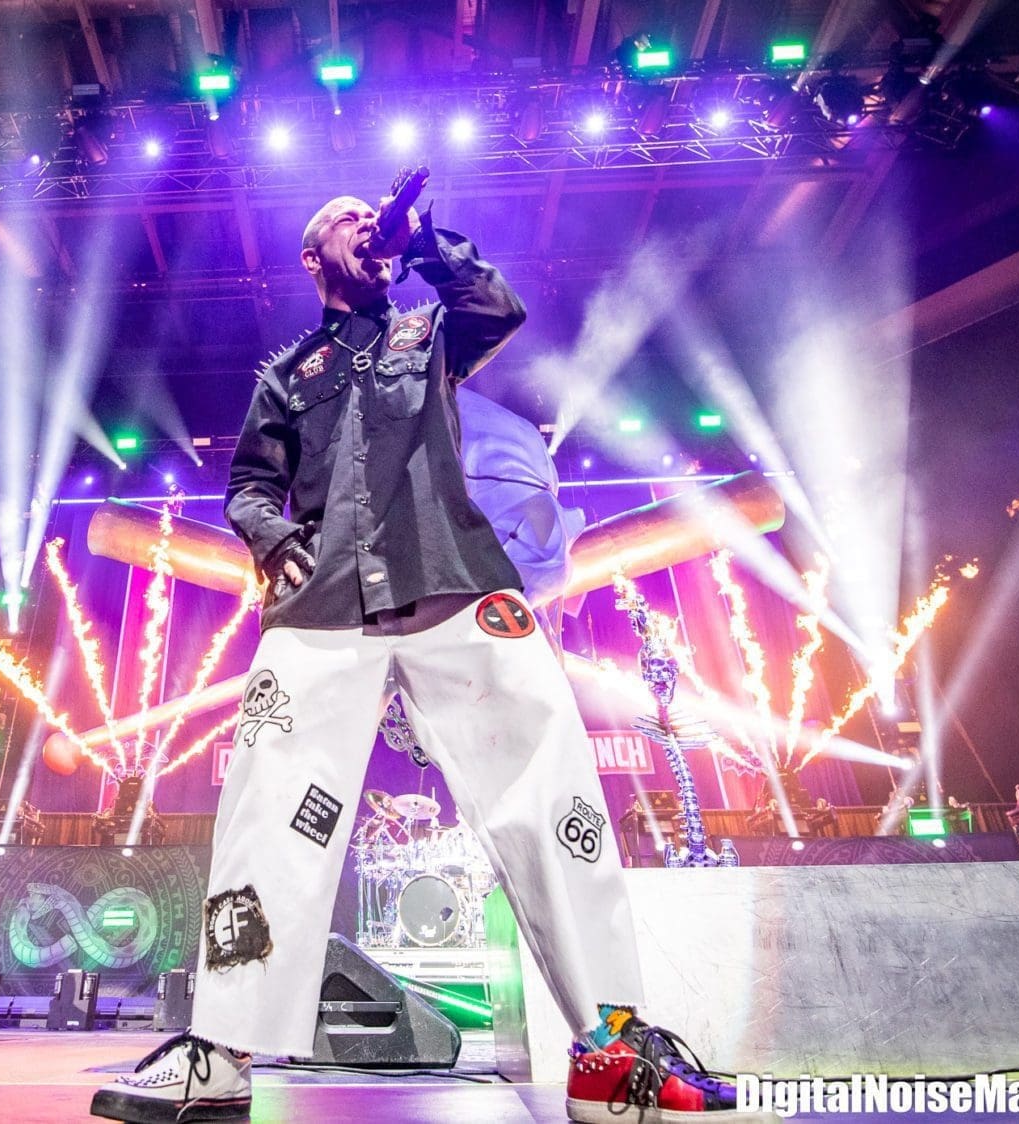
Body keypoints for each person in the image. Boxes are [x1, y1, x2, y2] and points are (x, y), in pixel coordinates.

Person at [92, 196, 771, 1123]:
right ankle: (220, 1051)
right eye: (347, 219)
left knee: (549, 785)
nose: (366, 223)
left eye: (372, 217)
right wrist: (270, 535)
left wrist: (427, 245)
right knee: (266, 805)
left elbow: (496, 307)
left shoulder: (429, 331)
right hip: (323, 604)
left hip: (457, 583)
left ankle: (613, 1047)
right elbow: (250, 482)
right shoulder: (287, 373)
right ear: (311, 255)